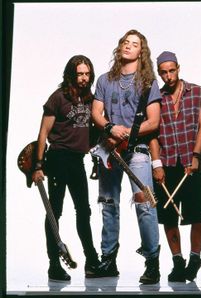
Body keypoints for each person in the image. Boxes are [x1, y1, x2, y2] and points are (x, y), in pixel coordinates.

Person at [91, 29, 162, 284]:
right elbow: (96, 112)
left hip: (138, 153)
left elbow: (154, 122)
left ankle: (152, 262)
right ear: (120, 46)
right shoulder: (104, 80)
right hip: (109, 150)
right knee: (108, 206)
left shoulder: (147, 82)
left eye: (134, 44)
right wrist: (110, 128)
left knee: (145, 205)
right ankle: (108, 260)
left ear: (141, 52)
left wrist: (127, 132)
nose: (128, 46)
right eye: (125, 42)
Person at [32, 55, 102, 282]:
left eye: (87, 74)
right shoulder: (58, 98)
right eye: (80, 74)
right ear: (71, 74)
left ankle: (92, 261)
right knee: (55, 212)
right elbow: (43, 133)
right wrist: (38, 165)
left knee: (84, 211)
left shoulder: (90, 99)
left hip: (76, 161)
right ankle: (54, 265)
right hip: (58, 159)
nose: (83, 78)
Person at [149, 51, 201, 282]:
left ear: (178, 68)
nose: (168, 76)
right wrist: (157, 165)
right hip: (167, 163)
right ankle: (177, 261)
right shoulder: (156, 98)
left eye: (171, 70)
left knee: (197, 213)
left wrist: (196, 155)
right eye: (163, 72)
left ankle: (195, 258)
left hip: (190, 161)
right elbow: (152, 134)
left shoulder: (197, 93)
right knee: (168, 214)